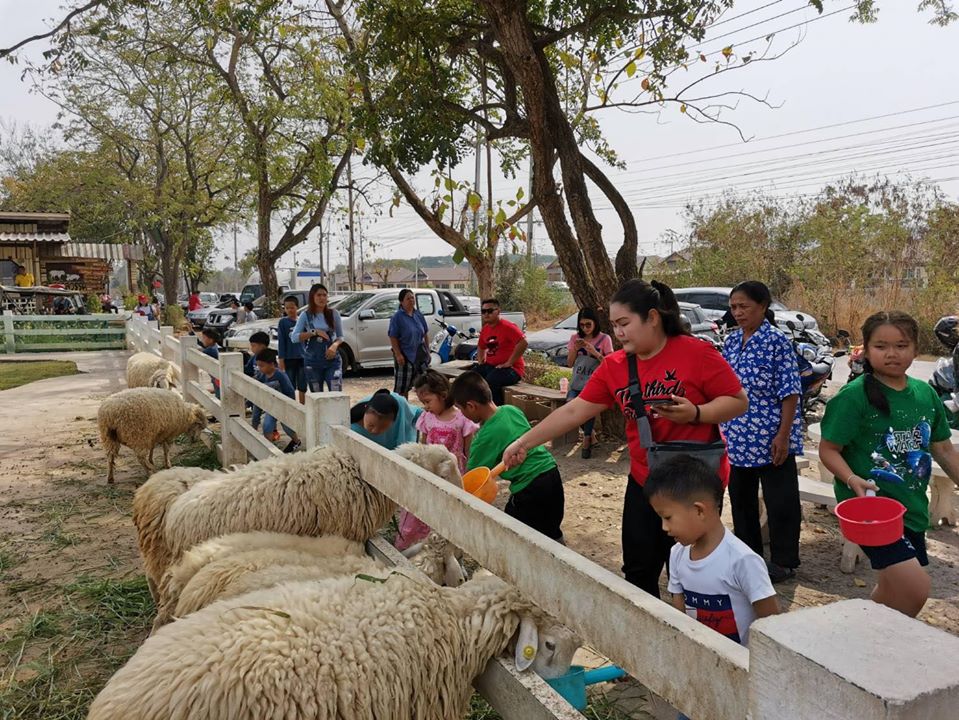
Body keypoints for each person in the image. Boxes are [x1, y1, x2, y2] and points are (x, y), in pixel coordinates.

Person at [502, 279, 748, 597]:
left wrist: (696, 414)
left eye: (624, 323)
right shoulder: (614, 367)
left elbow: (738, 401)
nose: (618, 333)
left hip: (695, 484)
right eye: (614, 325)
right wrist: (524, 442)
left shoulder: (697, 353)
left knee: (692, 573)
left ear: (653, 317)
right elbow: (575, 411)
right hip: (646, 480)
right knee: (638, 570)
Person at [819, 311, 959, 617]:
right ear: (866, 350)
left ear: (915, 349)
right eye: (881, 346)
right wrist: (851, 478)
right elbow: (828, 449)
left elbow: (945, 451)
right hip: (871, 511)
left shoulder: (925, 394)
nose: (892, 353)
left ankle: (870, 629)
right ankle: (885, 638)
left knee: (892, 587)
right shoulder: (854, 397)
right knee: (916, 588)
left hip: (912, 510)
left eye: (901, 345)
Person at [646, 455, 779, 649]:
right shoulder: (677, 554)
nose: (664, 527)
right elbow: (680, 613)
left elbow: (772, 622)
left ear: (699, 510)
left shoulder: (743, 560)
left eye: (668, 517)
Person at [721, 281, 803, 584]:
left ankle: (784, 561)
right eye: (734, 307)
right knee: (741, 499)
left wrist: (783, 435)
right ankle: (748, 555)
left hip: (771, 435)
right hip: (738, 435)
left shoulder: (776, 341)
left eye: (744, 307)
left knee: (780, 500)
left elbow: (790, 392)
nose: (738, 313)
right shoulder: (731, 342)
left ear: (763, 306)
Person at [452, 371, 564, 542]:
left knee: (515, 537)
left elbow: (471, 480)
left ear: (471, 406)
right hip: (552, 475)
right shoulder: (511, 410)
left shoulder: (484, 438)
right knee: (550, 531)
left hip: (529, 488)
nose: (461, 414)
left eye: (460, 409)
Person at [394, 370, 481, 551]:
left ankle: (445, 552)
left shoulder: (462, 419)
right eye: (422, 402)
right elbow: (423, 447)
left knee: (447, 515)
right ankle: (409, 548)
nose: (425, 407)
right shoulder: (427, 418)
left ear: (443, 395)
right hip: (428, 475)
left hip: (451, 478)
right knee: (419, 513)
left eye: (428, 401)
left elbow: (468, 450)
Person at [566, 307, 613, 458]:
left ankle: (586, 439)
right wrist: (575, 349)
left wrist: (595, 352)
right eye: (582, 325)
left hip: (595, 382)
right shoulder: (575, 338)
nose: (585, 328)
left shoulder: (605, 339)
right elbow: (569, 363)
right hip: (577, 380)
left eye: (588, 325)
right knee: (571, 405)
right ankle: (591, 434)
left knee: (588, 406)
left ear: (595, 323)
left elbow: (610, 364)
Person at [291, 284, 345, 392]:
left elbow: (340, 337)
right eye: (319, 295)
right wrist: (314, 332)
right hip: (313, 362)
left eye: (324, 295)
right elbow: (294, 337)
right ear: (312, 297)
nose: (322, 298)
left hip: (332, 361)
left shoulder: (334, 314)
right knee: (317, 395)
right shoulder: (305, 315)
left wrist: (334, 346)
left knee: (336, 393)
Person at [474, 298, 527, 406]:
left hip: (512, 370)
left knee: (492, 380)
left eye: (490, 311)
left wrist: (509, 363)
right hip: (492, 367)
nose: (486, 314)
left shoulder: (508, 327)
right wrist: (481, 361)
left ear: (498, 311)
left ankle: (497, 410)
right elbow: (481, 346)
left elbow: (523, 343)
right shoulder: (485, 329)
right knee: (472, 377)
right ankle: (477, 409)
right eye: (483, 311)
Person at [250, 348, 302, 454]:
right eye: (258, 365)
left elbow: (290, 392)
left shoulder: (281, 376)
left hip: (283, 405)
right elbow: (256, 383)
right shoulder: (262, 374)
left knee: (287, 427)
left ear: (272, 364)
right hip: (270, 405)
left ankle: (296, 441)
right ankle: (268, 448)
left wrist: (290, 406)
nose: (260, 368)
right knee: (267, 426)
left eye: (262, 365)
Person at [388, 288, 430, 398]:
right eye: (408, 298)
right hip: (404, 355)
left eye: (412, 298)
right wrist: (398, 354)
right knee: (402, 388)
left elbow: (425, 333)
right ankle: (403, 410)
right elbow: (393, 336)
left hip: (419, 354)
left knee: (425, 385)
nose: (411, 300)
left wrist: (428, 351)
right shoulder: (397, 317)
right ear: (401, 302)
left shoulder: (418, 315)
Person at [350, 388, 422, 449]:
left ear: (394, 420)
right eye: (371, 425)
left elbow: (418, 416)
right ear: (365, 410)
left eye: (382, 428)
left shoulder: (400, 407)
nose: (375, 431)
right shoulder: (351, 427)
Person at [277, 295, 307, 404]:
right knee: (290, 386)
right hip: (289, 359)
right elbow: (282, 342)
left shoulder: (303, 321)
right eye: (287, 308)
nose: (290, 310)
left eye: (292, 307)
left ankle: (302, 407)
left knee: (303, 385)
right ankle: (292, 406)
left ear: (297, 307)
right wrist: (281, 360)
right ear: (284, 309)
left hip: (303, 358)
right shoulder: (283, 323)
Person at [198, 328, 221, 398]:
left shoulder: (210, 350)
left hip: (217, 377)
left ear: (211, 340)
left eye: (204, 338)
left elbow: (199, 354)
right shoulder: (214, 346)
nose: (202, 340)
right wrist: (191, 332)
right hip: (216, 376)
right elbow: (202, 344)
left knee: (219, 395)